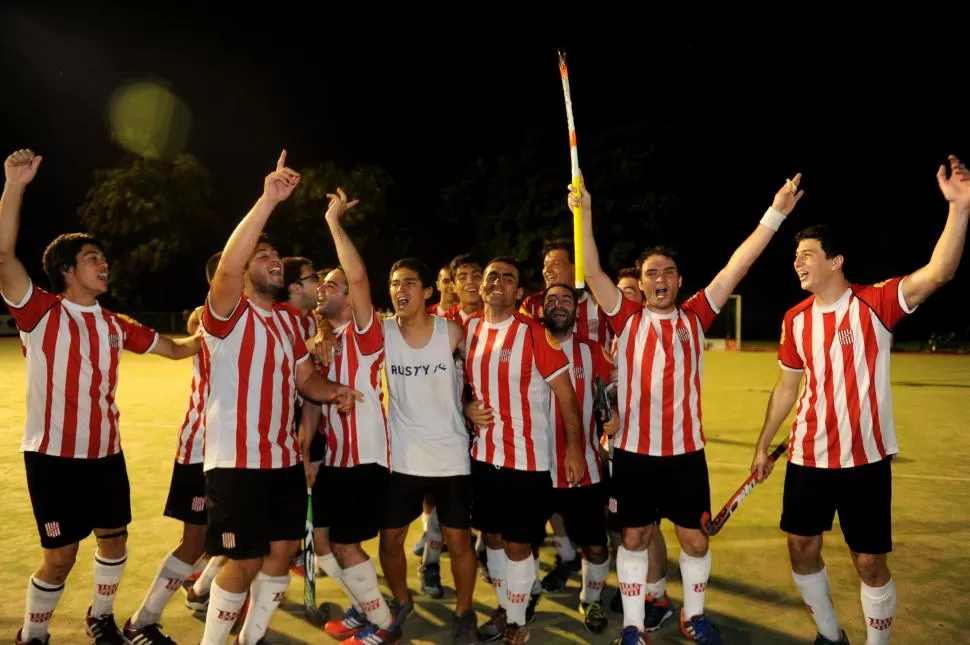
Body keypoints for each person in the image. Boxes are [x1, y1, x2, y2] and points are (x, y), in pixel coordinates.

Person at [573, 169, 804, 645]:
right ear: (639, 282)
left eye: (667, 272)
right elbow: (592, 270)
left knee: (695, 540)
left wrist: (776, 212)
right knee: (634, 539)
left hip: (684, 455)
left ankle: (692, 616)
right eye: (651, 273)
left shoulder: (696, 316)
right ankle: (635, 627)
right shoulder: (626, 316)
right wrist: (585, 213)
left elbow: (738, 264)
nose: (659, 279)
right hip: (635, 454)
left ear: (679, 281)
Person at [750, 155, 970, 645]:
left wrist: (959, 208)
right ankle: (830, 635)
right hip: (807, 457)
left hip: (865, 459)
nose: (798, 261)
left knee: (869, 561)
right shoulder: (795, 320)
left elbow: (939, 272)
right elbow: (788, 385)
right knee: (801, 548)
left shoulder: (876, 303)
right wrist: (763, 444)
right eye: (795, 256)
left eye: (808, 253)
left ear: (836, 260)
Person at [0, 148, 201, 645]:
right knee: (60, 557)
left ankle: (102, 616)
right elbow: (4, 257)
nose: (104, 263)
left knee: (115, 540)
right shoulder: (40, 312)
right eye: (93, 258)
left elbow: (176, 348)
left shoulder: (116, 325)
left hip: (106, 454)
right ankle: (33, 633)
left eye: (103, 257)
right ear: (68, 270)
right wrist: (14, 186)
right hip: (52, 458)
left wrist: (219, 332)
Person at [198, 151, 361, 645]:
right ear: (246, 271)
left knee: (282, 550)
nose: (274, 262)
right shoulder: (227, 312)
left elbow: (304, 379)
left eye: (276, 257)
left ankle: (251, 638)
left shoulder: (291, 323)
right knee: (244, 559)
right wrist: (268, 200)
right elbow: (227, 268)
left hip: (281, 460)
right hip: (234, 462)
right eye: (263, 258)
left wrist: (332, 391)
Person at [463, 256, 586, 644]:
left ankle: (515, 621)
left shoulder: (534, 334)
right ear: (481, 287)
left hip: (527, 460)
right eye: (491, 275)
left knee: (518, 543)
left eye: (508, 278)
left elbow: (567, 397)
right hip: (483, 457)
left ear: (519, 292)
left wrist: (575, 450)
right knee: (494, 539)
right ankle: (506, 607)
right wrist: (466, 405)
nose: (498, 281)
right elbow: (457, 381)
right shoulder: (466, 329)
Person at [310, 188, 402, 645]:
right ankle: (365, 607)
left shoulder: (367, 334)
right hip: (336, 460)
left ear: (349, 298)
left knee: (346, 544)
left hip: (365, 458)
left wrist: (334, 224)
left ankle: (384, 625)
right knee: (325, 543)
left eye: (332, 284)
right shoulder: (325, 337)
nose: (323, 289)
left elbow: (361, 277)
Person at [123, 251, 224, 643]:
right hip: (202, 448)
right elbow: (199, 319)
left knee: (237, 533)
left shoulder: (258, 316)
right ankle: (142, 620)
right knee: (194, 540)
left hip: (239, 449)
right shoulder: (214, 316)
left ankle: (202, 591)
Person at [378, 257, 478, 644]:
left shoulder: (451, 332)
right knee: (390, 541)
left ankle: (464, 611)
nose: (400, 289)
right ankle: (402, 601)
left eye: (408, 282)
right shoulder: (383, 332)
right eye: (394, 283)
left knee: (459, 541)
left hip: (450, 455)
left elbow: (479, 374)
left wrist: (469, 405)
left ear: (427, 291)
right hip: (402, 457)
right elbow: (340, 317)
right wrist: (321, 326)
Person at [540, 283, 618, 634]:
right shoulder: (527, 345)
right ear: (540, 307)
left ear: (576, 309)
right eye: (551, 300)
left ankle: (590, 599)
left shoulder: (593, 352)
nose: (558, 305)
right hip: (533, 466)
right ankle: (520, 596)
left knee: (596, 546)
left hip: (583, 468)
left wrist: (613, 410)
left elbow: (614, 392)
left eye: (566, 300)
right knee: (518, 542)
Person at [519, 238, 611, 349]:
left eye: (555, 264)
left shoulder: (599, 302)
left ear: (575, 268)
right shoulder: (532, 304)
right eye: (545, 265)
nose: (547, 270)